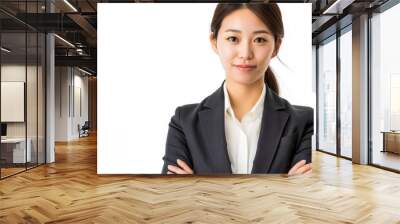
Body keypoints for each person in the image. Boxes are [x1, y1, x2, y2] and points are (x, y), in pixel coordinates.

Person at [161, 3, 313, 175]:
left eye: (260, 40)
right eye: (233, 39)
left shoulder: (304, 122)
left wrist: (199, 191)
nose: (245, 53)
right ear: (214, 42)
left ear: (276, 46)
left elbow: (308, 198)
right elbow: (171, 198)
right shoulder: (184, 122)